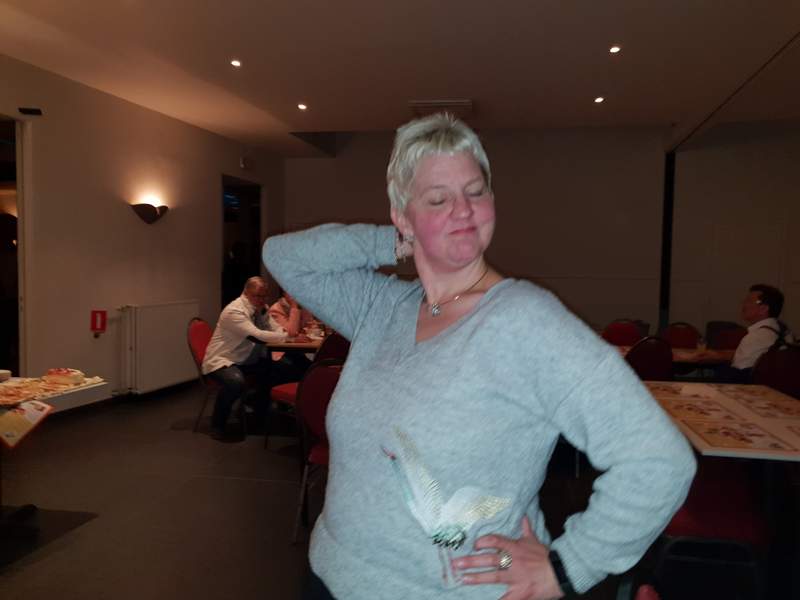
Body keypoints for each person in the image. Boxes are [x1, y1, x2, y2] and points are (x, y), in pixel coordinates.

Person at [264, 113, 695, 599]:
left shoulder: (524, 321)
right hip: (330, 575)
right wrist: (398, 240)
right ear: (403, 215)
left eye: (475, 191)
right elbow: (283, 256)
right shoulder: (381, 307)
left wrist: (568, 566)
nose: (464, 210)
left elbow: (658, 458)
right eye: (438, 198)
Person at [201, 276, 286, 440]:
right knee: (235, 382)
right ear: (246, 293)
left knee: (281, 368)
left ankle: (256, 410)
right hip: (222, 361)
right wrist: (286, 336)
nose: (261, 300)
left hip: (245, 359)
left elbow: (275, 328)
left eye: (264, 296)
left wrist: (281, 333)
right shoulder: (235, 311)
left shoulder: (260, 309)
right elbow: (258, 336)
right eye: (257, 296)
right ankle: (217, 424)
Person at [727, 284, 795, 380]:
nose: (744, 305)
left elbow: (737, 375)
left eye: (749, 301)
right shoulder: (785, 331)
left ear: (763, 309)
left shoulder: (755, 337)